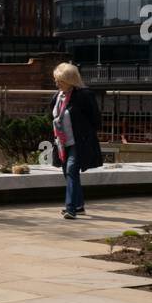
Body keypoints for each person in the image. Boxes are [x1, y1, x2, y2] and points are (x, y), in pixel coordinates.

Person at [50, 62, 103, 219]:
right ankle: (79, 206)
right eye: (56, 79)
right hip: (62, 141)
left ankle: (70, 208)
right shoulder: (57, 97)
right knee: (68, 173)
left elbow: (95, 120)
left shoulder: (84, 95)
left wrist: (87, 134)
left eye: (60, 80)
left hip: (79, 141)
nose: (56, 83)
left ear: (70, 80)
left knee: (72, 170)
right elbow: (52, 117)